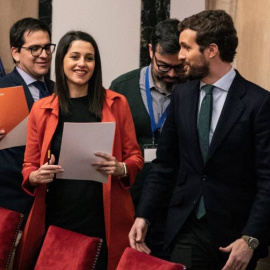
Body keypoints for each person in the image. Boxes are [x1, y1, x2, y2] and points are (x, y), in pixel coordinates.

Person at [129, 10, 270, 270]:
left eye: (186, 47)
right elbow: (165, 163)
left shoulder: (258, 103)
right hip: (186, 225)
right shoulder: (183, 94)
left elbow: (267, 179)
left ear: (212, 50)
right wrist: (144, 215)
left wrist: (251, 239)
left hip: (235, 237)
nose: (180, 55)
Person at [15, 31, 143, 270]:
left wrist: (120, 167)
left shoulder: (117, 103)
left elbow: (135, 157)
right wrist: (36, 175)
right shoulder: (42, 109)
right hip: (56, 213)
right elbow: (28, 167)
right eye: (75, 56)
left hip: (103, 214)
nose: (82, 64)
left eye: (89, 58)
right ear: (62, 60)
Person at [110, 19, 184, 259]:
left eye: (178, 67)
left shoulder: (192, 89)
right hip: (132, 195)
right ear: (151, 50)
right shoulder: (122, 87)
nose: (172, 74)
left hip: (175, 198)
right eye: (163, 66)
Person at [0, 17, 54, 223]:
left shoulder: (59, 91)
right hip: (10, 202)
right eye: (35, 49)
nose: (43, 55)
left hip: (52, 204)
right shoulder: (1, 89)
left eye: (47, 47)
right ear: (16, 53)